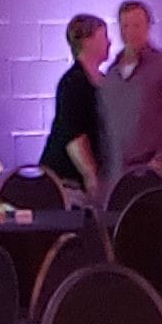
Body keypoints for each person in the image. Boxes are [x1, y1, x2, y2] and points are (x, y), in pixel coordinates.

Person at [106, 0, 162, 184]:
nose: (131, 31)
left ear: (148, 27)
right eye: (125, 26)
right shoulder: (112, 73)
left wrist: (161, 161)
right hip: (120, 175)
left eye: (137, 25)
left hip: (158, 174)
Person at [45, 12, 111, 195]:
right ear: (87, 41)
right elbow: (74, 134)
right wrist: (91, 176)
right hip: (69, 182)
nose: (110, 42)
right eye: (103, 36)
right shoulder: (73, 83)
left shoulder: (104, 81)